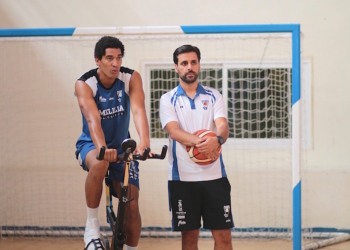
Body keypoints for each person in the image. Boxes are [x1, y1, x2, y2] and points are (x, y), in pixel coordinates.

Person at [74, 36, 150, 250]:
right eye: (109, 58)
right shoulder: (85, 83)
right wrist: (102, 148)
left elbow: (138, 110)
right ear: (98, 60)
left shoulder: (130, 77)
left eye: (118, 58)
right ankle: (92, 225)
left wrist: (144, 142)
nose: (115, 63)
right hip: (91, 145)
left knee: (132, 205)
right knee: (100, 163)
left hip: (122, 148)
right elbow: (92, 119)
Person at [159, 45, 234, 250]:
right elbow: (173, 131)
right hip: (183, 180)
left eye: (193, 62)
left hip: (215, 178)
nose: (189, 67)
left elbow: (223, 127)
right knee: (190, 240)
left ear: (199, 64)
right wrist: (203, 144)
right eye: (184, 63)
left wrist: (217, 140)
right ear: (176, 67)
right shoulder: (168, 99)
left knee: (224, 238)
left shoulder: (213, 96)